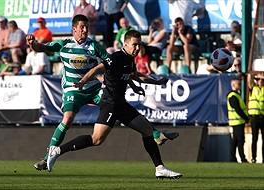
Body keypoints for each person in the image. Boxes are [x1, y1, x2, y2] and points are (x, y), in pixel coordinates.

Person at [27, 14, 178, 171]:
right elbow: (42, 48)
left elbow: (116, 68)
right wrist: (33, 44)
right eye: (82, 27)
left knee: (115, 102)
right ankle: (47, 157)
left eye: (87, 26)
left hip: (94, 88)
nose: (85, 29)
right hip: (74, 89)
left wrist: (132, 85)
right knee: (68, 118)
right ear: (74, 29)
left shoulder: (94, 46)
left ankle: (155, 136)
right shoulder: (64, 44)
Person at [227, 78, 249, 163]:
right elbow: (238, 109)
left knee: (235, 140)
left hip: (237, 121)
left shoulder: (236, 95)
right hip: (237, 121)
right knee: (239, 140)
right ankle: (242, 158)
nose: (240, 85)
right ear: (233, 85)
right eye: (238, 84)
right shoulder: (233, 96)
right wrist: (246, 118)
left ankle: (233, 158)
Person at [247, 73, 264, 163]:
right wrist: (255, 74)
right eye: (259, 79)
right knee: (255, 138)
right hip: (254, 117)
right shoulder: (253, 88)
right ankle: (254, 158)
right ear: (256, 81)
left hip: (262, 116)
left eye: (262, 80)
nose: (260, 81)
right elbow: (249, 78)